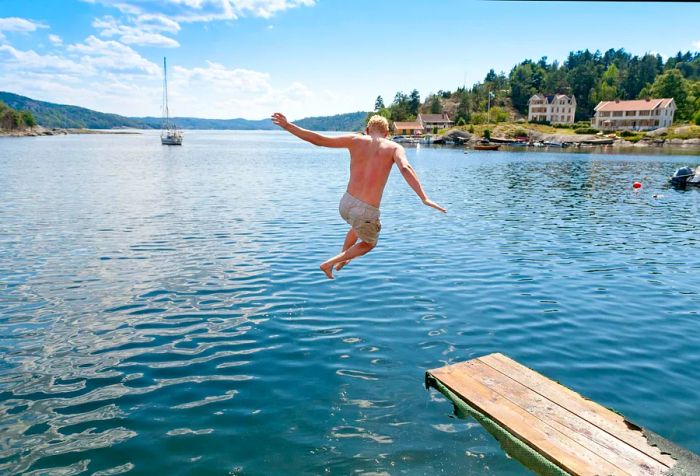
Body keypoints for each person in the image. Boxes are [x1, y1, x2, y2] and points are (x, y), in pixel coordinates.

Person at [271, 113, 446, 279]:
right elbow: (406, 168)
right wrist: (424, 197)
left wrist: (287, 125)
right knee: (369, 243)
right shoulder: (394, 147)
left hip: (345, 204)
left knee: (358, 226)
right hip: (366, 210)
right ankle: (329, 263)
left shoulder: (355, 140)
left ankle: (343, 259)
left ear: (367, 130)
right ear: (386, 133)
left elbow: (318, 139)